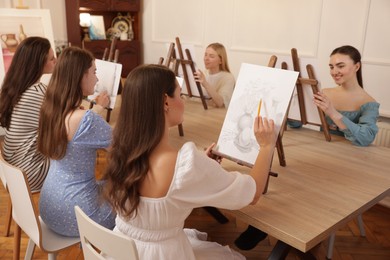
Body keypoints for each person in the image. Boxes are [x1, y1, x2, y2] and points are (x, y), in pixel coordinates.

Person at [103, 64, 277, 259]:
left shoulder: (122, 149)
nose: (183, 101)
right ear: (165, 102)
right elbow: (251, 193)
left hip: (122, 249)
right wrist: (266, 146)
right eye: (180, 94)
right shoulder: (185, 165)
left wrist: (201, 165)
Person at [37, 47, 115, 237]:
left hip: (49, 207)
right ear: (80, 75)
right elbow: (125, 147)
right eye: (94, 72)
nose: (97, 79)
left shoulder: (51, 109)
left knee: (108, 184)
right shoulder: (84, 118)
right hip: (78, 214)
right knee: (133, 205)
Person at [0, 37, 56, 191]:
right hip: (30, 172)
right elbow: (65, 125)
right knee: (73, 156)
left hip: (13, 170)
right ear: (38, 64)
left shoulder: (16, 87)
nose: (56, 61)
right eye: (52, 59)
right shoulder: (37, 92)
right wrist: (98, 107)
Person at [313, 45, 379, 146]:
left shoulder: (369, 103)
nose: (334, 72)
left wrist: (333, 113)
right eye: (331, 67)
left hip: (350, 156)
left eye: (341, 66)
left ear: (356, 66)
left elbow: (366, 138)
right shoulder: (323, 93)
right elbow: (295, 125)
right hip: (322, 150)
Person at [194, 43, 235, 108]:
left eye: (211, 56)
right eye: (205, 55)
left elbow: (221, 103)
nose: (206, 59)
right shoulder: (204, 73)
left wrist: (205, 83)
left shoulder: (228, 78)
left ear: (221, 61)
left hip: (217, 115)